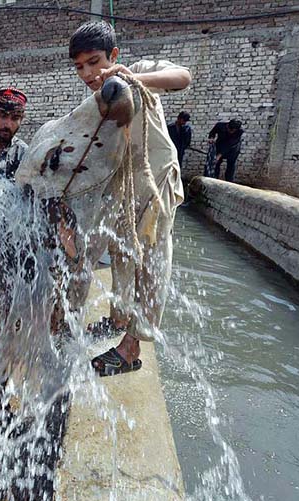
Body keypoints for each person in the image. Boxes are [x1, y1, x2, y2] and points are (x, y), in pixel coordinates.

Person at [67, 20, 190, 376]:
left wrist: (131, 79)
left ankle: (131, 348)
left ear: (114, 56)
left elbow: (183, 76)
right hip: (122, 187)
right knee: (120, 252)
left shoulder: (136, 73)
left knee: (151, 261)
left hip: (155, 182)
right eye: (80, 67)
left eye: (95, 62)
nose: (89, 73)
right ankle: (118, 318)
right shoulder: (96, 100)